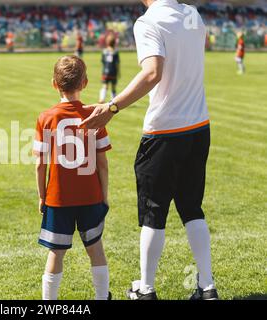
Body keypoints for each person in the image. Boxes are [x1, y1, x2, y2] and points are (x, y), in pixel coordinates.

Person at [81, 0, 218, 300]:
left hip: (165, 131)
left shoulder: (147, 22)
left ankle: (146, 289)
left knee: (154, 212)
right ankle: (207, 287)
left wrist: (112, 106)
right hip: (198, 127)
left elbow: (153, 72)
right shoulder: (193, 14)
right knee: (192, 208)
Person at [33, 56, 112, 300]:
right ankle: (101, 297)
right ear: (86, 83)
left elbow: (39, 164)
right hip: (90, 195)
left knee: (56, 252)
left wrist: (42, 196)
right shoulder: (95, 115)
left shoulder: (46, 117)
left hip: (58, 197)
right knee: (95, 249)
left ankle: (49, 303)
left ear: (54, 84)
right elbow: (102, 163)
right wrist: (104, 195)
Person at [99, 34, 121, 103]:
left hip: (105, 72)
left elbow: (103, 62)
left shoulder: (104, 51)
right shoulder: (115, 52)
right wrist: (118, 72)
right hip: (113, 71)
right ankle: (113, 101)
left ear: (107, 42)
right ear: (114, 43)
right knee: (113, 87)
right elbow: (117, 63)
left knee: (105, 86)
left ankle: (102, 99)